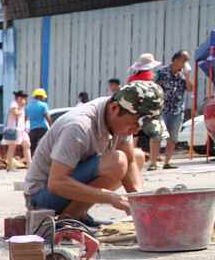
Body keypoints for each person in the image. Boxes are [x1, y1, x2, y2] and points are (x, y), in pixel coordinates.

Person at [23, 81, 160, 228]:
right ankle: (68, 220)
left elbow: (131, 160)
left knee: (136, 156)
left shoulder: (121, 118)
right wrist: (110, 198)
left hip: (66, 187)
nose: (134, 131)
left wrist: (139, 203)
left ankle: (77, 213)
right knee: (117, 162)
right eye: (133, 125)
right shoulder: (78, 126)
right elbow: (56, 183)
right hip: (42, 197)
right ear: (114, 108)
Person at [151, 50, 192, 171]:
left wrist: (188, 76)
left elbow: (190, 89)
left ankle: (167, 162)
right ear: (175, 60)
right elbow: (153, 86)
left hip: (177, 110)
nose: (185, 63)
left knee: (173, 138)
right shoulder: (161, 72)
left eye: (187, 61)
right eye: (184, 60)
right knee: (156, 135)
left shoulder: (183, 75)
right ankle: (153, 163)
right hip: (161, 109)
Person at [2, 90, 32, 172]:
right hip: (13, 129)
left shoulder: (21, 106)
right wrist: (21, 107)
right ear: (19, 98)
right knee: (12, 147)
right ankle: (9, 166)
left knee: (27, 145)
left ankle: (30, 165)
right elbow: (15, 113)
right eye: (24, 99)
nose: (25, 101)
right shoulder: (14, 104)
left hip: (21, 130)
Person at [26, 88, 52, 154]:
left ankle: (33, 162)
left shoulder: (28, 107)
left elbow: (25, 119)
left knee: (32, 149)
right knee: (44, 147)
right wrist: (51, 126)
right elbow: (47, 117)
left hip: (32, 130)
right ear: (40, 96)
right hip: (42, 129)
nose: (44, 98)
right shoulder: (43, 105)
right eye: (43, 97)